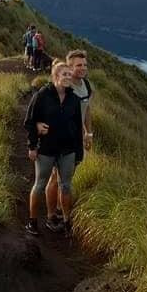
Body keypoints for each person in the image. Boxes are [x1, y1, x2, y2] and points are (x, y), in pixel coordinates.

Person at [23, 60, 83, 236]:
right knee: (40, 185)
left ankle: (65, 222)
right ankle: (32, 222)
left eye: (69, 75)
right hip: (46, 149)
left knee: (66, 186)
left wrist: (78, 153)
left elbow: (78, 127)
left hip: (68, 150)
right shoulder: (42, 95)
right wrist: (32, 146)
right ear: (55, 76)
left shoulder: (74, 99)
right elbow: (29, 121)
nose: (68, 77)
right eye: (64, 74)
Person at [46, 50, 94, 226]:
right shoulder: (63, 87)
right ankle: (51, 216)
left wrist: (88, 133)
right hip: (59, 139)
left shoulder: (87, 86)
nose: (83, 68)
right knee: (55, 177)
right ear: (70, 67)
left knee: (68, 177)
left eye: (85, 65)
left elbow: (87, 109)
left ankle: (60, 207)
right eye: (78, 65)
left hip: (77, 139)